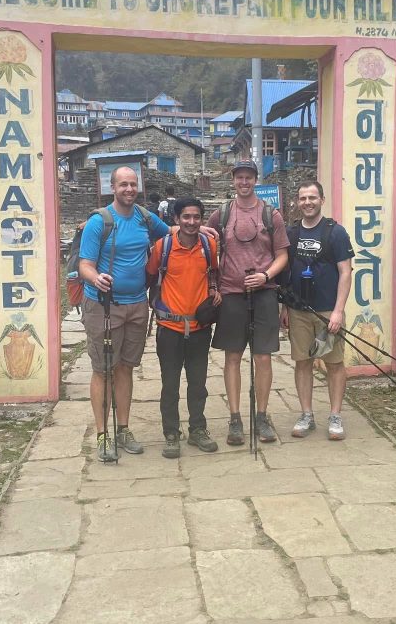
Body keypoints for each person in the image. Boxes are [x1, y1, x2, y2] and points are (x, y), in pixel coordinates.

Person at [79, 166, 168, 458]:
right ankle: (102, 434)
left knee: (126, 367)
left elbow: (170, 233)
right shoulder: (99, 222)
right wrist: (96, 278)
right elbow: (85, 264)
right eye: (123, 185)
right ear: (112, 187)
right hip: (103, 306)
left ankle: (123, 428)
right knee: (103, 369)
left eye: (133, 184)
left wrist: (199, 228)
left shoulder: (145, 217)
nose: (129, 189)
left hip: (137, 304)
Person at [208, 160, 289, 445]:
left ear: (256, 180)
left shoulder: (270, 214)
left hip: (264, 292)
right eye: (240, 177)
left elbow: (282, 255)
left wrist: (265, 275)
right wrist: (213, 285)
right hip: (231, 293)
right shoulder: (221, 214)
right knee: (232, 356)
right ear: (233, 180)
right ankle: (234, 418)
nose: (244, 182)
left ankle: (262, 416)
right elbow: (208, 248)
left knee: (263, 357)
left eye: (249, 177)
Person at [147, 197, 222, 459]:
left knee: (198, 383)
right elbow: (150, 275)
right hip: (170, 326)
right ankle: (171, 433)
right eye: (186, 217)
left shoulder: (208, 245)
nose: (191, 222)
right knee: (170, 384)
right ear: (176, 219)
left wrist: (214, 290)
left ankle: (197, 429)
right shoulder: (163, 247)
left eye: (196, 217)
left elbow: (213, 273)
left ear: (202, 219)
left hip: (200, 326)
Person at [280, 179, 354, 441]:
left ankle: (335, 415)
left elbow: (346, 272)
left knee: (334, 363)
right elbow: (287, 272)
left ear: (322, 200)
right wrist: (285, 307)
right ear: (297, 202)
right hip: (298, 310)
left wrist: (338, 311)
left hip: (327, 311)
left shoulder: (336, 233)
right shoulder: (291, 233)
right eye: (303, 198)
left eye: (312, 197)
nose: (307, 203)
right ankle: (306, 414)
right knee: (303, 362)